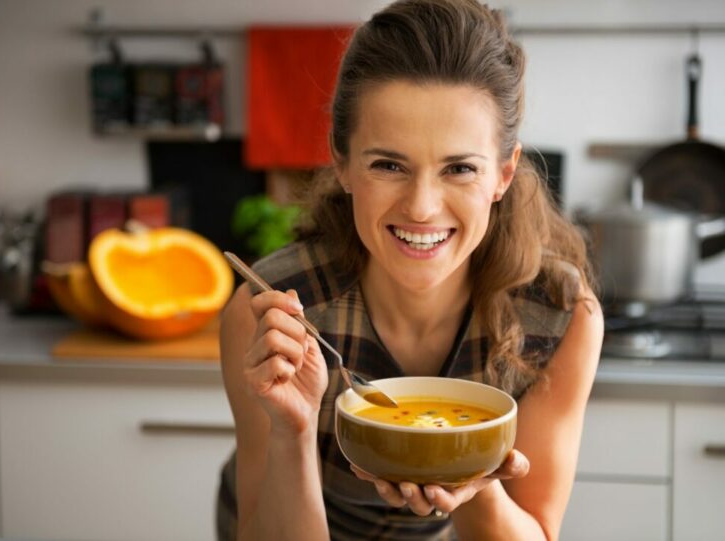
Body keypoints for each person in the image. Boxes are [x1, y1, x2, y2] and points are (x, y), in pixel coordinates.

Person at [216, 0, 603, 539]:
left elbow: (535, 530)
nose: (421, 207)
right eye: (389, 165)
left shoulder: (561, 314)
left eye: (460, 168)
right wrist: (294, 430)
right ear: (342, 163)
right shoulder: (272, 311)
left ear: (504, 174)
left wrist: (474, 475)